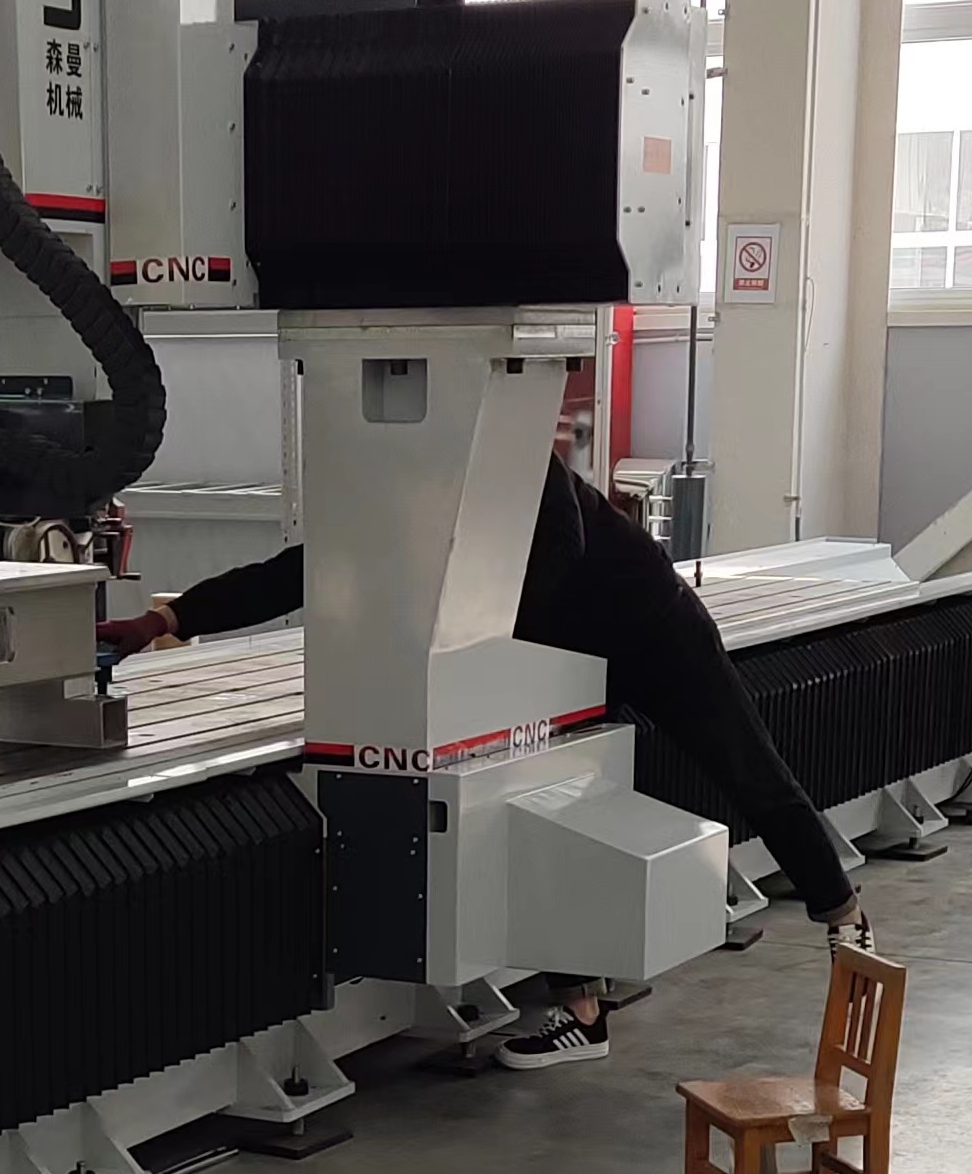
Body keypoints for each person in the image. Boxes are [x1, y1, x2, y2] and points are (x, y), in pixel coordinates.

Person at [105, 457, 873, 1069]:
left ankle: (845, 920)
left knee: (748, 771)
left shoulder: (506, 444)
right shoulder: (389, 486)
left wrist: (476, 647)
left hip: (650, 630)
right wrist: (167, 619)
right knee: (557, 807)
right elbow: (301, 570)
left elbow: (559, 550)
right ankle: (582, 1012)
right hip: (554, 654)